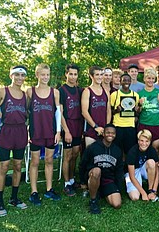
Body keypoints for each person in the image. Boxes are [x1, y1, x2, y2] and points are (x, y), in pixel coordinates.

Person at [0, 66, 28, 217]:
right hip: (6, 131)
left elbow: (28, 114)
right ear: (11, 75)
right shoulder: (2, 91)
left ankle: (14, 198)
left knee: (18, 165)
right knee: (4, 166)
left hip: (20, 132)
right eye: (17, 75)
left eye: (22, 75)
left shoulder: (25, 95)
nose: (20, 78)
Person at [27, 63, 62, 205]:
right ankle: (33, 192)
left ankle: (49, 189)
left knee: (49, 160)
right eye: (43, 74)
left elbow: (58, 112)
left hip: (50, 131)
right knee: (34, 162)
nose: (45, 77)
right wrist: (27, 130)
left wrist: (58, 130)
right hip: (36, 132)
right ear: (37, 75)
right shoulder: (30, 92)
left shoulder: (55, 92)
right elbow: (26, 112)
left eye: (47, 74)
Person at [79, 124, 124, 214]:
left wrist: (118, 188)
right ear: (103, 133)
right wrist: (83, 182)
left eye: (112, 133)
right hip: (93, 175)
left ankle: (100, 192)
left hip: (108, 179)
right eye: (108, 132)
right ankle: (93, 201)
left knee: (117, 204)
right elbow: (82, 164)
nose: (110, 135)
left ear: (115, 135)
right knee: (97, 171)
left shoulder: (117, 151)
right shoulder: (93, 147)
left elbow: (119, 171)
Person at [59, 64, 83, 196]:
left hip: (78, 125)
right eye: (71, 74)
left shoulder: (80, 90)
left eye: (75, 74)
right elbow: (60, 113)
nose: (73, 76)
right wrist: (66, 131)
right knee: (67, 156)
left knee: (75, 154)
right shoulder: (61, 90)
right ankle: (66, 183)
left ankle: (72, 179)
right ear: (66, 74)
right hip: (68, 125)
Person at [125, 129, 159, 201]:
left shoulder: (152, 150)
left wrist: (154, 191)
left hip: (144, 169)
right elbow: (132, 176)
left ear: (150, 142)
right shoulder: (132, 152)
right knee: (135, 197)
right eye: (141, 141)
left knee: (151, 162)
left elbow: (157, 172)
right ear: (138, 141)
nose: (144, 144)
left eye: (147, 141)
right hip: (133, 172)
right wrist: (143, 193)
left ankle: (150, 189)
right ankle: (140, 189)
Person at [81, 66, 111, 147]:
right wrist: (96, 127)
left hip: (103, 131)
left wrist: (106, 127)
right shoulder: (87, 91)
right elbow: (84, 112)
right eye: (97, 75)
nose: (100, 77)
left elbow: (108, 111)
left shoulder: (106, 92)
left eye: (101, 74)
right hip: (91, 130)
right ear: (91, 76)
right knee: (90, 157)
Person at [138, 68, 159, 155]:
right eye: (148, 78)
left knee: (155, 149)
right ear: (144, 79)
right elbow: (137, 111)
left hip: (156, 124)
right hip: (144, 123)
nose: (150, 80)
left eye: (153, 78)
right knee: (143, 148)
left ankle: (156, 167)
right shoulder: (140, 93)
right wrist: (140, 105)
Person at [111, 73, 139, 156]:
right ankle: (118, 168)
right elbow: (110, 111)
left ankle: (128, 168)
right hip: (118, 126)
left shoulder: (135, 95)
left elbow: (136, 112)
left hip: (130, 127)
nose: (126, 82)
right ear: (120, 82)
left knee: (130, 151)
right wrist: (116, 110)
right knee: (117, 151)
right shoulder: (114, 95)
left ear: (130, 82)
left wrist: (137, 112)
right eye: (124, 80)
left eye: (128, 80)